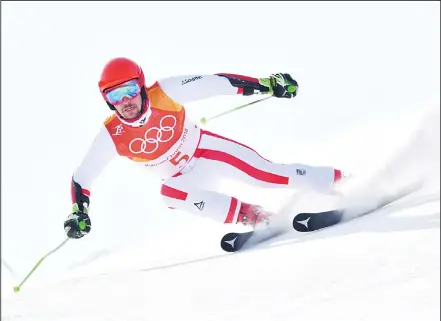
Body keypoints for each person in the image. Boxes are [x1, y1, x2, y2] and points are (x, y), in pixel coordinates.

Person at [63, 57, 346, 239]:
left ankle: (341, 182)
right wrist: (79, 211)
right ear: (107, 101)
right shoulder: (112, 134)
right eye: (115, 95)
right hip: (185, 178)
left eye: (129, 90)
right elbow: (82, 177)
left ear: (141, 86)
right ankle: (253, 216)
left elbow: (217, 83)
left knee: (265, 175)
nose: (125, 101)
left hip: (205, 151)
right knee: (169, 193)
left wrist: (267, 85)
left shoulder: (166, 92)